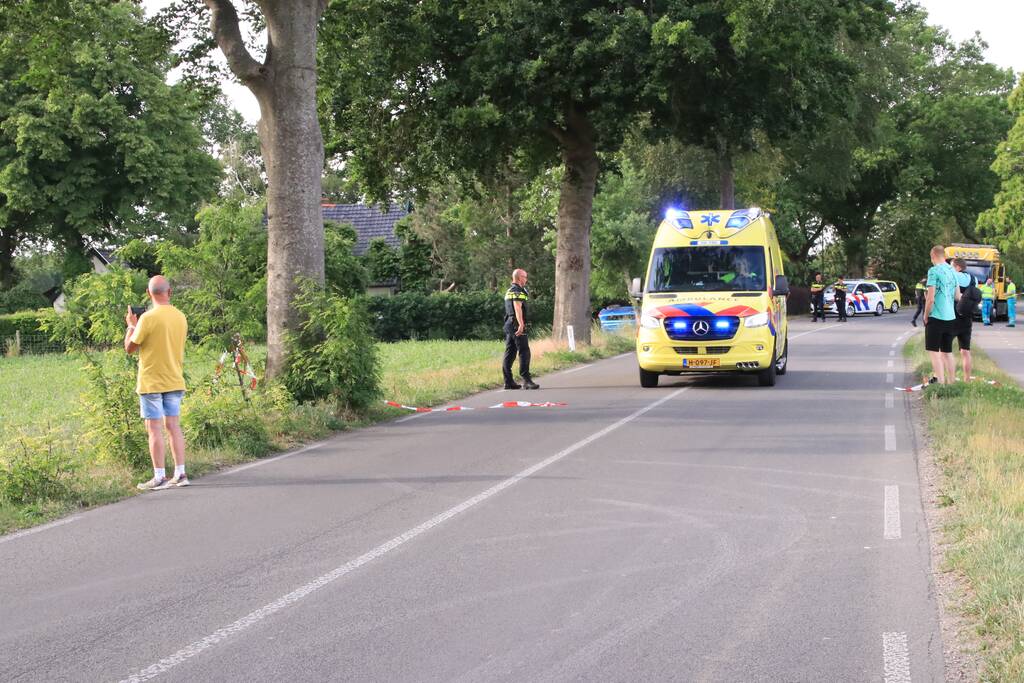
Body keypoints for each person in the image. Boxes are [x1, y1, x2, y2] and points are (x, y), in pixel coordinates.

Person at [125, 276, 190, 490]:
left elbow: (130, 348)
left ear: (148, 293)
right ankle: (180, 473)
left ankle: (159, 476)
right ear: (169, 292)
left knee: (154, 428)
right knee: (173, 426)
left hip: (152, 381)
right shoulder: (181, 316)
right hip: (174, 378)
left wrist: (131, 327)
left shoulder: (148, 318)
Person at [924, 246, 958, 385]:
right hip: (951, 317)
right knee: (947, 352)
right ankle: (951, 383)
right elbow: (957, 296)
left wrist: (926, 315)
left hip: (937, 317)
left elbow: (930, 299)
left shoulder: (933, 271)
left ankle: (940, 383)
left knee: (934, 352)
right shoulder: (952, 270)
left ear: (933, 256)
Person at [502, 269, 539, 390]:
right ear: (518, 278)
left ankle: (508, 382)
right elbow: (517, 308)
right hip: (516, 324)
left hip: (509, 324)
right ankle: (526, 380)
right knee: (524, 352)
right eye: (525, 277)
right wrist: (521, 324)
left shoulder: (509, 290)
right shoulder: (518, 291)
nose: (526, 279)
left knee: (510, 352)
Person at [951, 258, 975, 382]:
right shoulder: (973, 279)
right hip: (967, 319)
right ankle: (967, 380)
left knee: (945, 351)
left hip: (952, 317)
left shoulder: (954, 275)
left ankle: (949, 379)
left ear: (958, 267)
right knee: (965, 351)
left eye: (951, 266)